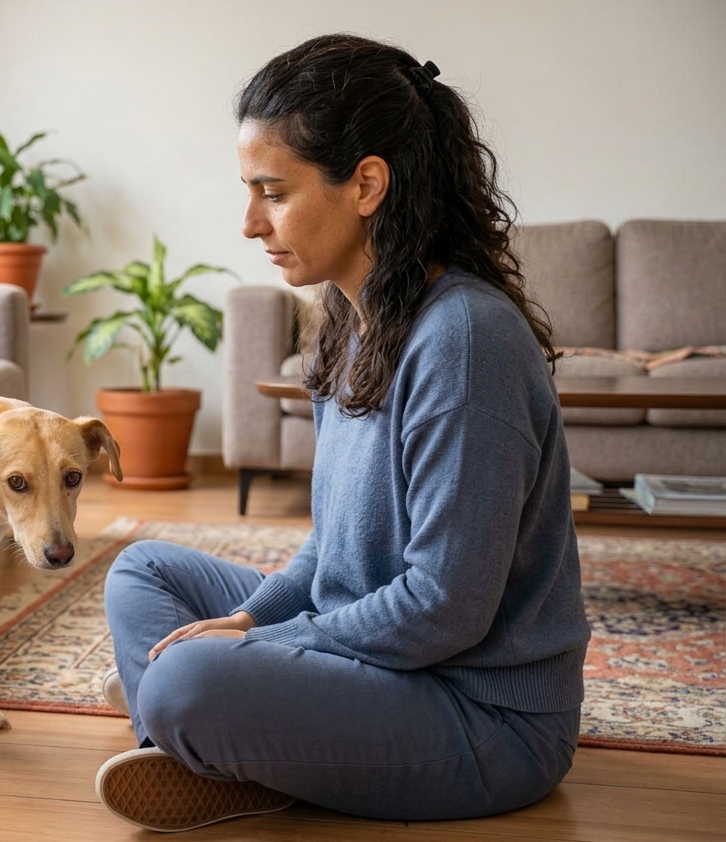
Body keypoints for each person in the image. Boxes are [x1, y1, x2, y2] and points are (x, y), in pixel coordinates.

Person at [94, 34, 592, 833]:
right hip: (376, 658)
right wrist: (253, 625)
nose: (251, 222)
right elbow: (330, 553)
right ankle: (223, 741)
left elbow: (444, 608)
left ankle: (200, 723)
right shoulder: (355, 326)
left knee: (189, 679)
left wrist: (262, 649)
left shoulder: (464, 342)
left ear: (366, 184)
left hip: (481, 718)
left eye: (273, 191)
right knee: (143, 571)